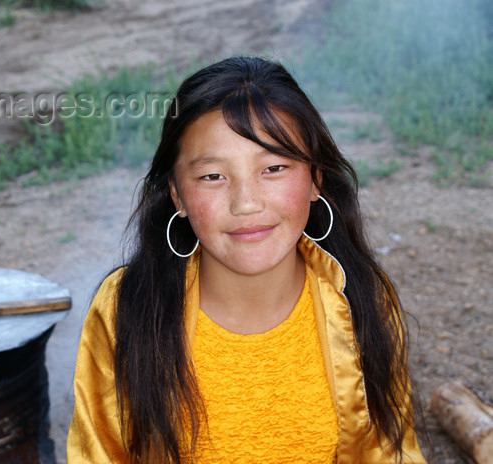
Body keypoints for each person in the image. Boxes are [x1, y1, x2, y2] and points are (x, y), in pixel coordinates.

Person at [67, 56, 427, 463]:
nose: (246, 204)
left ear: (315, 179)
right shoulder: (127, 306)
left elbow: (391, 453)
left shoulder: (361, 296)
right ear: (176, 195)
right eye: (212, 176)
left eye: (273, 168)